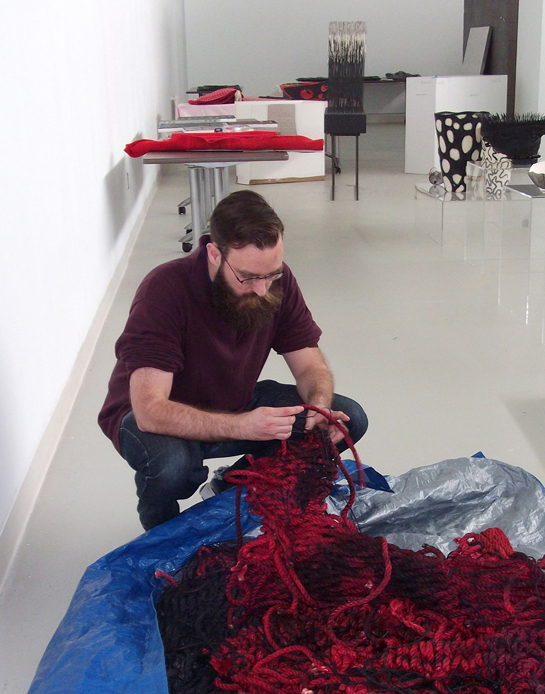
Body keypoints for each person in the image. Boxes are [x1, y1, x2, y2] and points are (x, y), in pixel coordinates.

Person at [99, 190, 368, 530]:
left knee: (348, 421)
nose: (261, 289)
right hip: (151, 415)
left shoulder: (273, 282)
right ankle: (159, 536)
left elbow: (310, 366)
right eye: (248, 277)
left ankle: (230, 490)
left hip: (231, 399)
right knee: (172, 466)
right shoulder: (164, 290)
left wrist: (318, 407)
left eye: (271, 274)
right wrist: (244, 426)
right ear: (214, 253)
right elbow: (151, 409)